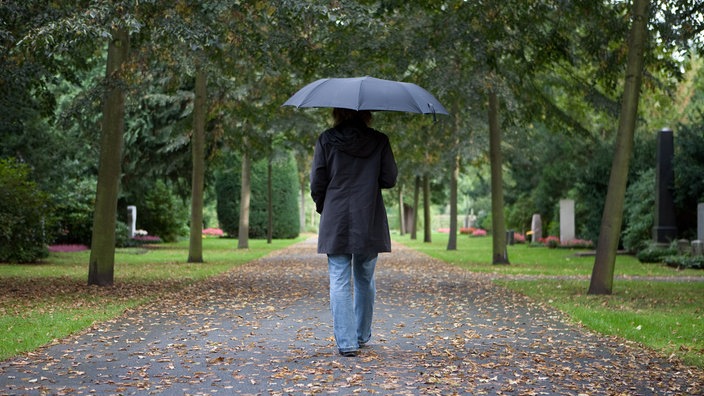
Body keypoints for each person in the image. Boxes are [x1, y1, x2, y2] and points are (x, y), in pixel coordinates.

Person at [310, 107, 398, 357]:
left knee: (338, 280)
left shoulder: (326, 139)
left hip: (336, 216)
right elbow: (389, 179)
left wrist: (323, 207)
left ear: (337, 112)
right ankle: (361, 335)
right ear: (367, 113)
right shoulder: (380, 140)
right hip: (368, 215)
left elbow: (318, 181)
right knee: (364, 279)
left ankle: (346, 343)